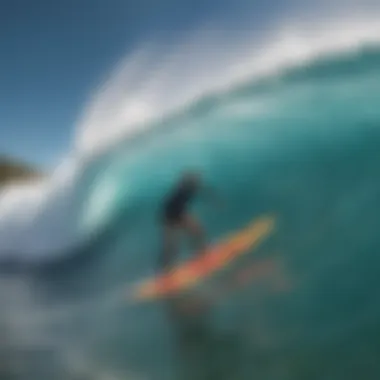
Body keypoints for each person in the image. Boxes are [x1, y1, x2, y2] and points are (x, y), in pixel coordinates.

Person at [159, 171, 220, 272]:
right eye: (196, 181)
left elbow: (205, 192)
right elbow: (171, 207)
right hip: (169, 217)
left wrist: (215, 200)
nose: (198, 183)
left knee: (198, 231)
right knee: (171, 246)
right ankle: (165, 270)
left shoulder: (191, 188)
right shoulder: (182, 190)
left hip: (180, 213)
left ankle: (202, 253)